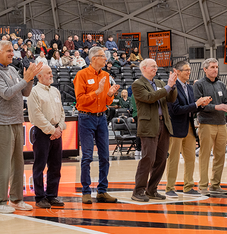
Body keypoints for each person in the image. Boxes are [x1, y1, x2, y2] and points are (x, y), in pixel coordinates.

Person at [0, 40, 42, 213]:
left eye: (12, 50)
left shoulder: (11, 69)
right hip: (2, 122)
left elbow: (25, 92)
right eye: (9, 51)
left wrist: (30, 79)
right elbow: (8, 94)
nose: (12, 53)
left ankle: (16, 199)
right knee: (3, 165)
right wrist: (25, 79)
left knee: (18, 164)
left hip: (17, 121)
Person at [74, 46, 120, 204]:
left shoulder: (106, 75)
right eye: (102, 56)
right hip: (86, 117)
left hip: (101, 118)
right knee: (87, 156)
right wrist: (97, 91)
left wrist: (109, 94)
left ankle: (102, 191)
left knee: (105, 157)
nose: (105, 59)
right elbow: (80, 100)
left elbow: (107, 102)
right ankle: (86, 191)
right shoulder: (81, 75)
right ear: (93, 58)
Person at [129, 59, 177, 202]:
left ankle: (152, 189)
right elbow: (149, 98)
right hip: (149, 126)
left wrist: (172, 87)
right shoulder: (137, 84)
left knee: (161, 159)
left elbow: (171, 99)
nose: (156, 68)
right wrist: (168, 86)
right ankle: (138, 190)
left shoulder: (160, 84)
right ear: (144, 68)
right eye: (153, 66)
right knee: (148, 158)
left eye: (156, 66)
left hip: (164, 124)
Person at [165, 60, 211, 198]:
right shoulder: (172, 88)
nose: (189, 72)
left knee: (190, 158)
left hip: (190, 127)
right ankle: (169, 188)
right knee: (173, 159)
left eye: (189, 70)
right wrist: (196, 104)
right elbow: (176, 110)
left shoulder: (190, 88)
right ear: (177, 72)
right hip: (175, 128)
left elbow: (192, 107)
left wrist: (201, 105)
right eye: (186, 70)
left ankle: (188, 186)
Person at [27, 66, 67, 209]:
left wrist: (59, 127)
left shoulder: (55, 91)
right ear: (39, 77)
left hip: (56, 131)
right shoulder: (33, 92)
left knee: (56, 165)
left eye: (51, 72)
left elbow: (62, 111)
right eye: (48, 73)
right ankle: (39, 197)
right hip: (42, 132)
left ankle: (52, 195)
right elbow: (36, 116)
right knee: (40, 165)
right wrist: (51, 130)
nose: (51, 75)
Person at [193, 58, 227, 196]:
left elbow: (226, 101)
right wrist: (216, 106)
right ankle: (203, 186)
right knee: (205, 156)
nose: (215, 69)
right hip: (206, 124)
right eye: (212, 67)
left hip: (221, 124)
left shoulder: (222, 85)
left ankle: (216, 185)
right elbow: (198, 105)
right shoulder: (199, 84)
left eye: (216, 67)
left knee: (220, 156)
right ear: (205, 69)